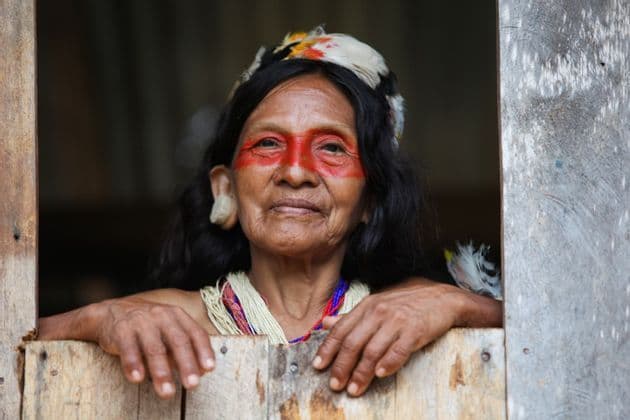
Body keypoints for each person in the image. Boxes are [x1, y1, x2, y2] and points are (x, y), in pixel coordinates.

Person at [38, 27, 502, 399]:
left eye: (332, 147)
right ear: (227, 190)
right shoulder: (168, 318)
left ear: (371, 201)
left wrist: (461, 304)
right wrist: (96, 321)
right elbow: (13, 344)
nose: (296, 170)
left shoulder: (412, 313)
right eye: (268, 143)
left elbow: (561, 337)